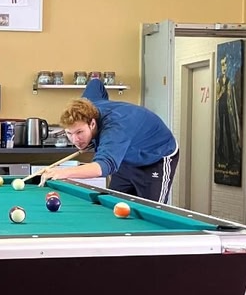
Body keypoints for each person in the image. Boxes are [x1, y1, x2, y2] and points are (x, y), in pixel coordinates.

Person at [39, 79, 179, 203]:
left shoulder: (114, 128)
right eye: (69, 133)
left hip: (155, 157)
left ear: (92, 124)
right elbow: (96, 84)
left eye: (80, 132)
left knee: (151, 210)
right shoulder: (88, 104)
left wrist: (64, 172)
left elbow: (104, 166)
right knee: (115, 206)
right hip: (125, 157)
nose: (75, 139)